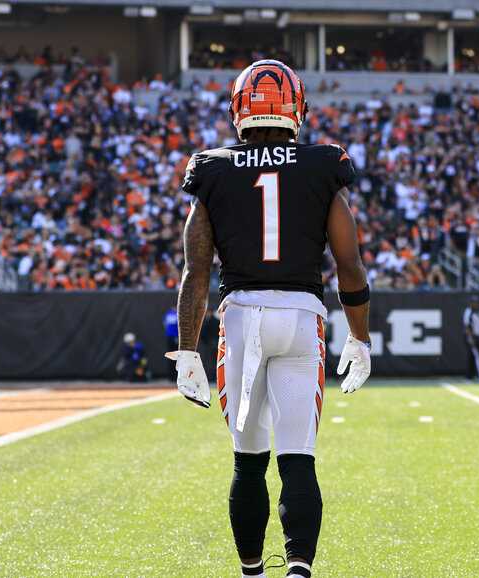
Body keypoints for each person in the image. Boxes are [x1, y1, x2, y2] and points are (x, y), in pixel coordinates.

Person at [166, 60, 371, 578]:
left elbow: (196, 272)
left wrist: (189, 351)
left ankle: (254, 572)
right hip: (303, 318)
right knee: (298, 457)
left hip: (241, 321)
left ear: (238, 106)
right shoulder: (323, 164)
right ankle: (298, 569)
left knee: (248, 460)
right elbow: (349, 263)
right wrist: (361, 339)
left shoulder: (211, 167)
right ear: (297, 106)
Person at [462, 298, 479, 383]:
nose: (477, 304)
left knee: (472, 357)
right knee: (478, 357)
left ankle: (470, 377)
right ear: (471, 303)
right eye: (475, 303)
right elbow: (467, 326)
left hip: (475, 336)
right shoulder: (469, 312)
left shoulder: (474, 312)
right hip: (473, 337)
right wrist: (471, 338)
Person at [163, 306, 179, 374]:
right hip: (174, 337)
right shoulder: (177, 314)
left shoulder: (168, 314)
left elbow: (165, 324)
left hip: (170, 336)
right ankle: (174, 374)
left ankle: (172, 374)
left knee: (173, 356)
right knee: (176, 356)